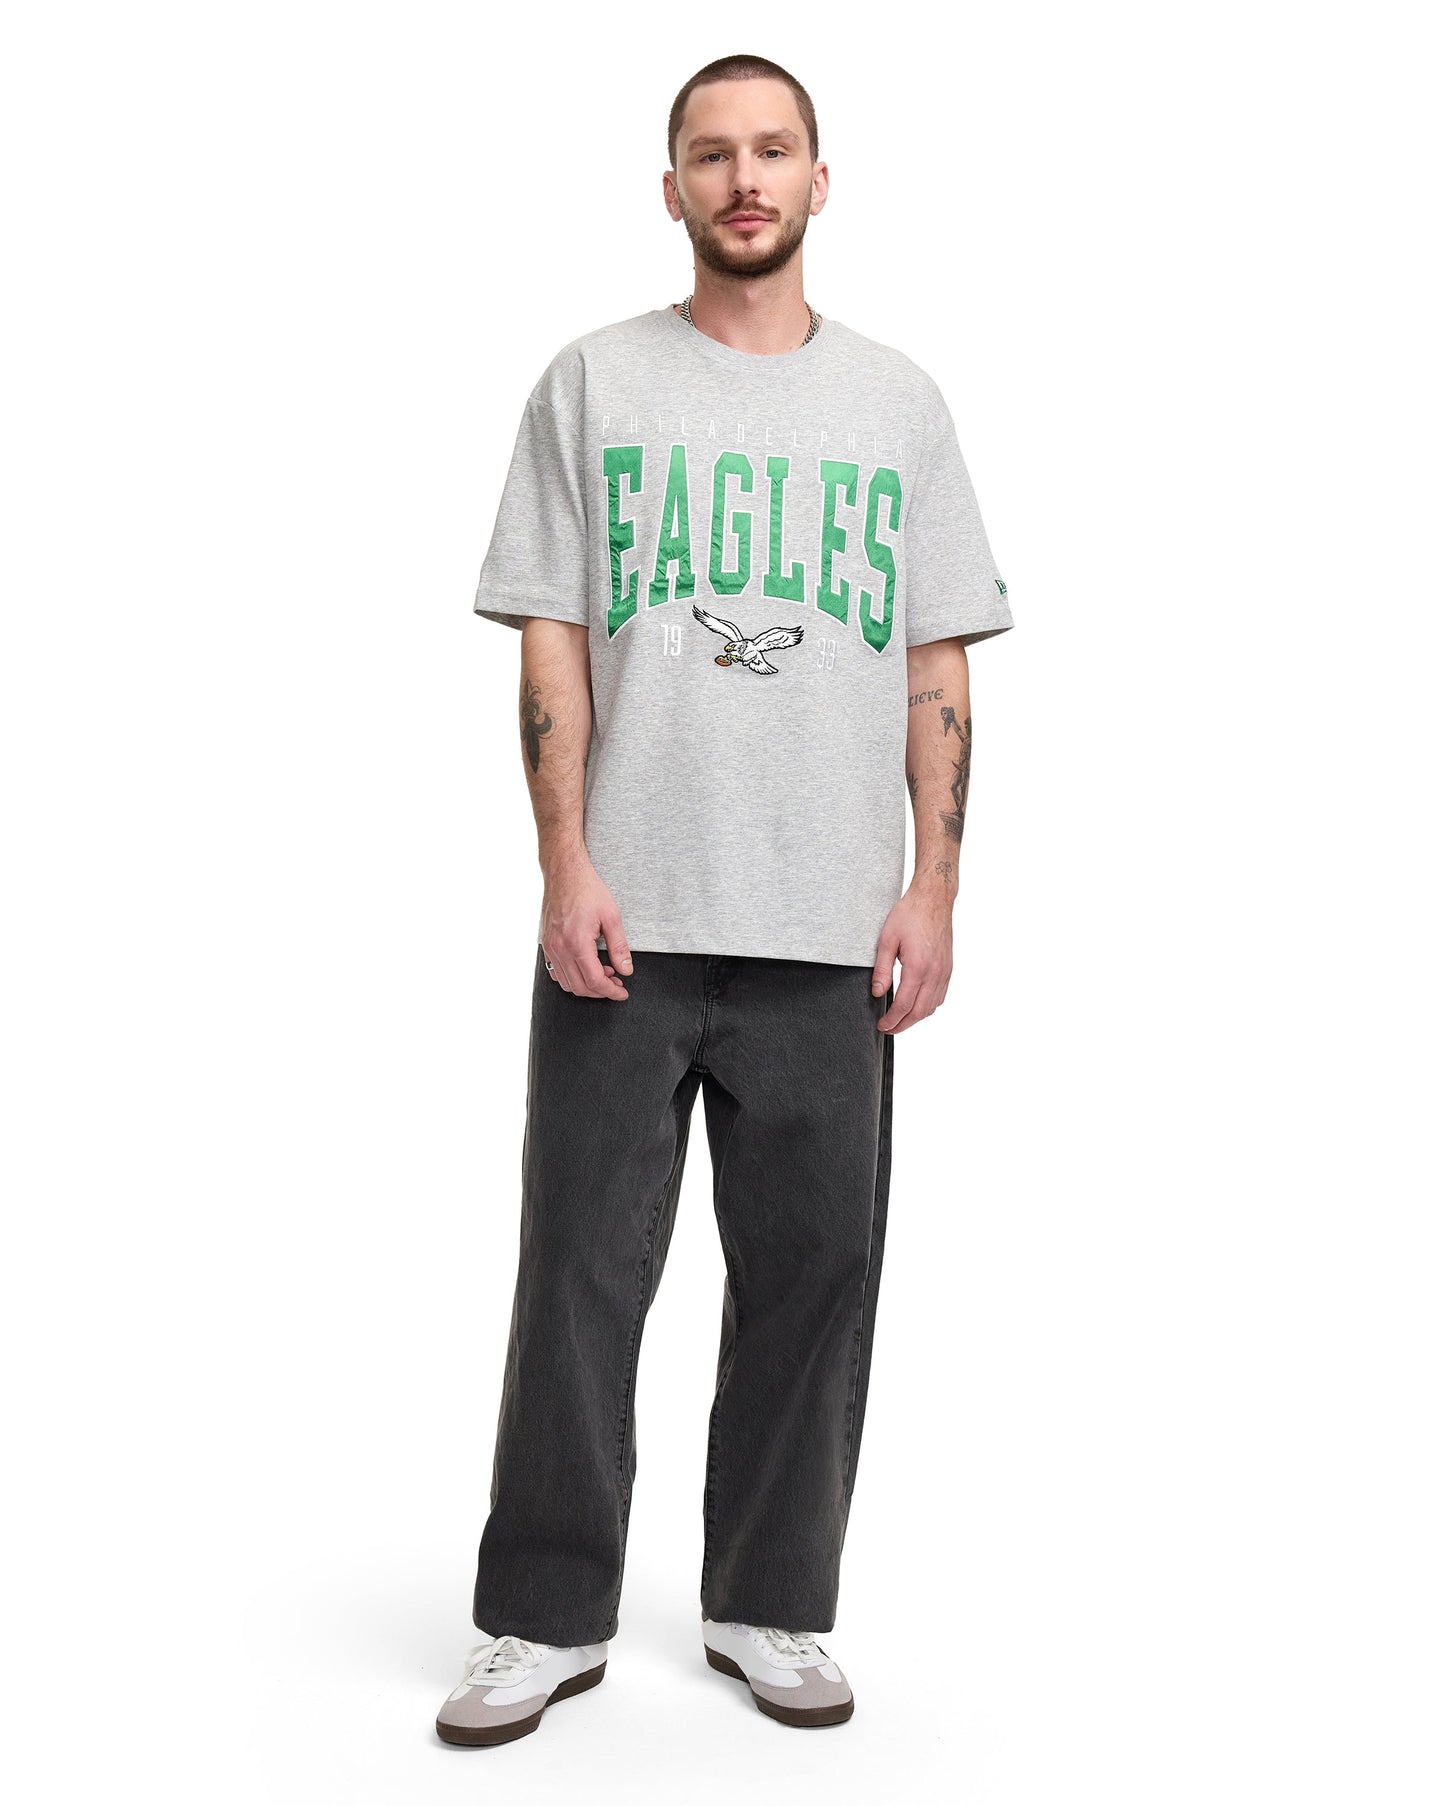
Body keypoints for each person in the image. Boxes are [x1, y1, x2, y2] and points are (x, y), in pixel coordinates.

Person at [436, 51, 1014, 1747]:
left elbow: (936, 662)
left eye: (771, 151)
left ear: (820, 182)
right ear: (671, 186)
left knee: (815, 1273)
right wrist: (562, 862)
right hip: (624, 919)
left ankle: (768, 1596)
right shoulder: (592, 382)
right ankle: (542, 1616)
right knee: (576, 1273)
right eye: (711, 154)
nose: (743, 178)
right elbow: (550, 635)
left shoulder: (897, 404)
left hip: (830, 930)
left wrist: (936, 886)